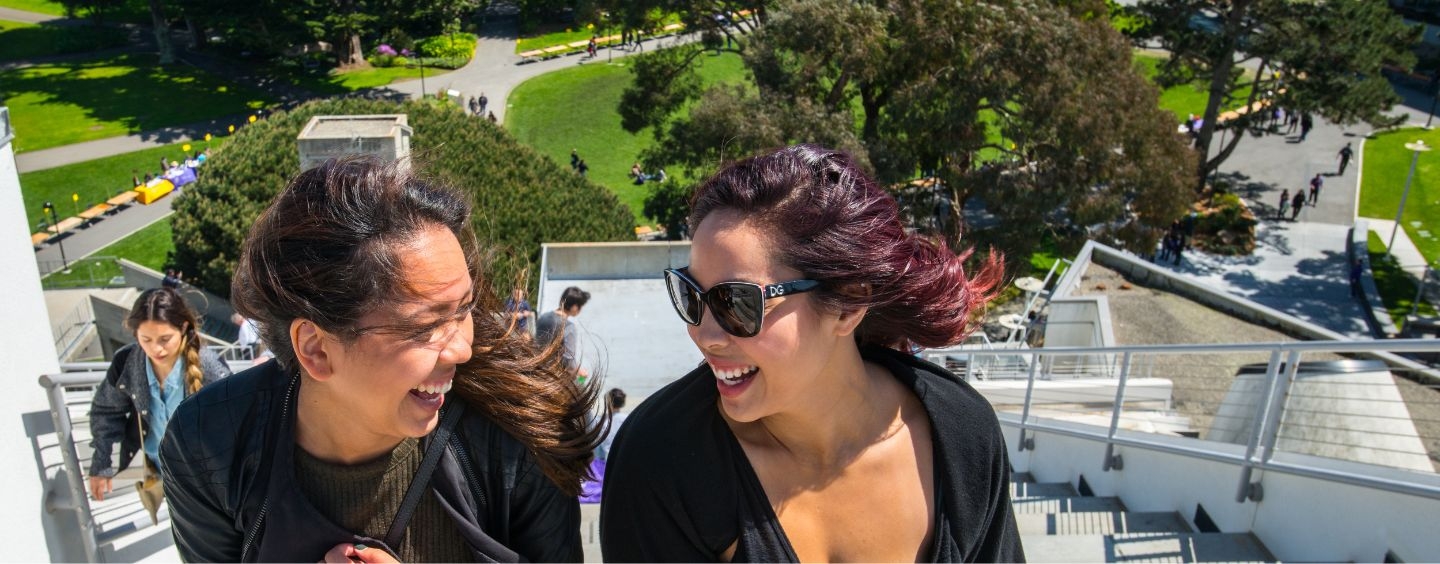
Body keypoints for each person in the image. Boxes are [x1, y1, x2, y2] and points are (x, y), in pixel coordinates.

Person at [160, 157, 601, 562]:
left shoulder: (519, 435)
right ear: (315, 348)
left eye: (463, 309)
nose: (462, 349)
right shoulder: (208, 441)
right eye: (424, 327)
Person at [601, 145, 1023, 562]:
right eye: (691, 296)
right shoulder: (659, 461)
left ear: (849, 303)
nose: (705, 335)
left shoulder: (962, 435)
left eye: (738, 303)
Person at [88, 287, 231, 524]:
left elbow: (238, 424)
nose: (156, 349)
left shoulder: (210, 367)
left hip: (207, 482)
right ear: (135, 334)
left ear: (184, 328)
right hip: (160, 472)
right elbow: (106, 410)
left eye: (165, 339)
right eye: (146, 340)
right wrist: (102, 462)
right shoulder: (126, 362)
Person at [536, 286, 591, 383]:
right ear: (574, 306)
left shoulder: (543, 318)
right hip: (558, 380)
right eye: (580, 306)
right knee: (582, 383)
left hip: (539, 373)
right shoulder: (569, 327)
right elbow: (568, 360)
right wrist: (580, 372)